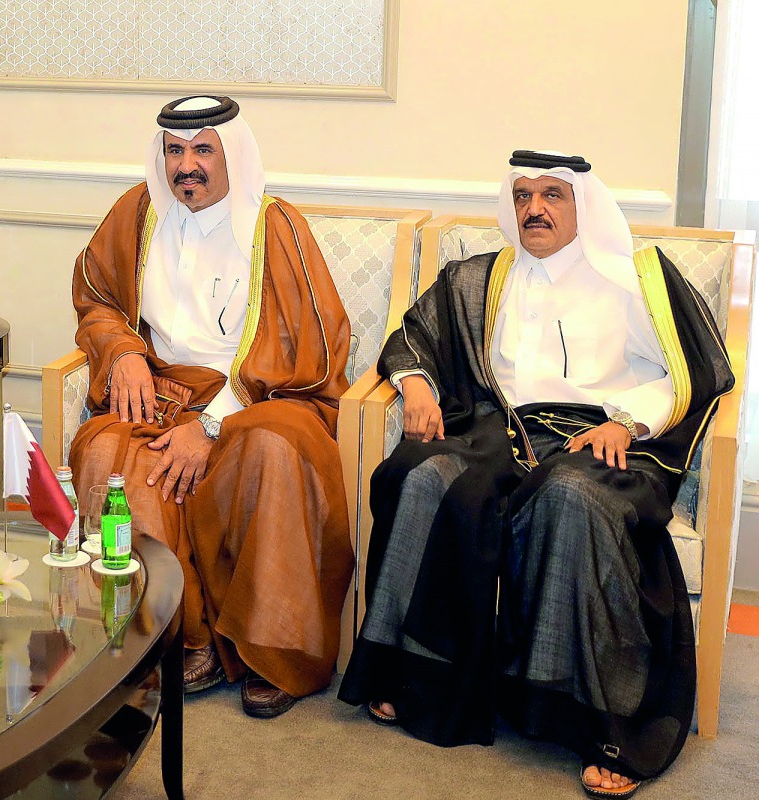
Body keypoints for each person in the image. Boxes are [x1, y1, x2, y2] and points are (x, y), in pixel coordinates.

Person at [338, 151, 734, 798]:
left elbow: (698, 370)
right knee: (420, 474)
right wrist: (416, 388)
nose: (535, 208)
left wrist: (628, 423)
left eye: (552, 195)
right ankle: (416, 678)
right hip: (503, 428)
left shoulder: (639, 278)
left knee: (572, 497)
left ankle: (598, 721)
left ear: (584, 204)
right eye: (523, 195)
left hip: (602, 437)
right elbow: (413, 339)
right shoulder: (481, 277)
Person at [70, 95, 354, 718]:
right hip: (161, 392)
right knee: (107, 449)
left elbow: (308, 351)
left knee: (274, 450)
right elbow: (95, 296)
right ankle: (178, 636)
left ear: (232, 156)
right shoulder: (139, 212)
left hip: (266, 397)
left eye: (203, 150)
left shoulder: (274, 227)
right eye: (175, 151)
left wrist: (211, 421)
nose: (186, 167)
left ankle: (269, 648)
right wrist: (122, 352)